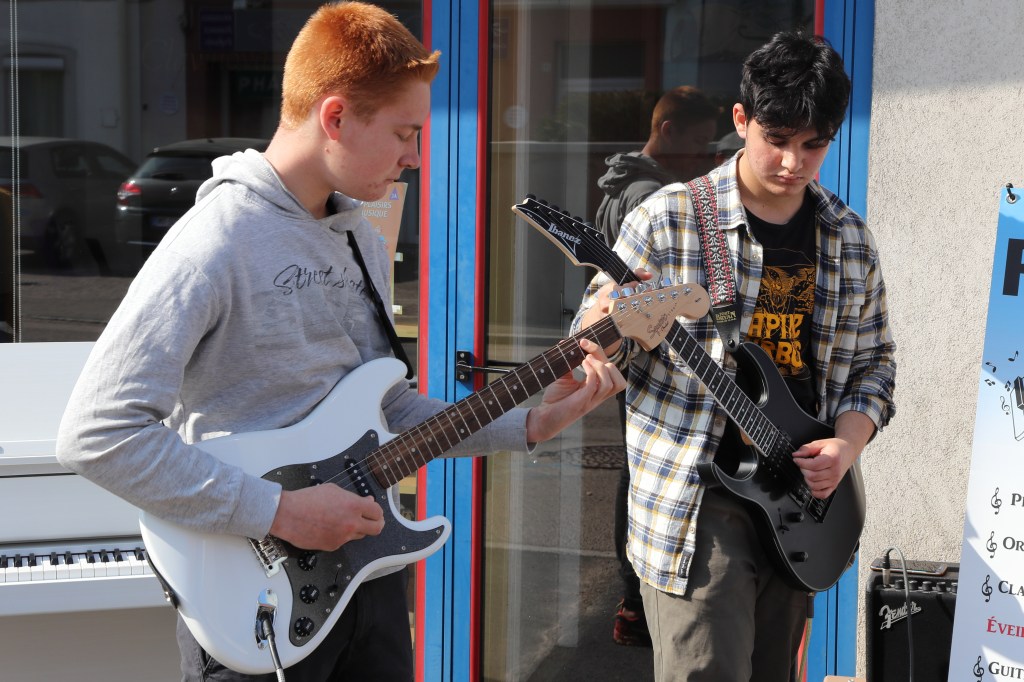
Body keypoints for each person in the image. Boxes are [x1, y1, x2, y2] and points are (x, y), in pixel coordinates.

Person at [55, 3, 624, 680]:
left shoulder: (358, 236)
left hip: (365, 576)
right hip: (254, 597)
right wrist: (280, 511)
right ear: (335, 118)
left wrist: (529, 423)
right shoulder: (213, 243)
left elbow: (389, 412)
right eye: (404, 133)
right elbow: (97, 433)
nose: (416, 157)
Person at [573, 31, 896, 681]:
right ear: (742, 120)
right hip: (697, 501)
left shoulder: (848, 239)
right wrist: (606, 322)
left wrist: (846, 446)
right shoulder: (669, 219)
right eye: (777, 139)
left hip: (797, 503)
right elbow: (594, 335)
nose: (793, 162)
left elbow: (874, 365)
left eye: (814, 145)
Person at [592, 84, 720, 647]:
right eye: (699, 143)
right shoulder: (652, 198)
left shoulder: (623, 184)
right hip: (649, 355)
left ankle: (634, 596)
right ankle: (637, 597)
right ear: (667, 131)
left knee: (635, 466)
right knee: (641, 470)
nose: (705, 157)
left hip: (638, 347)